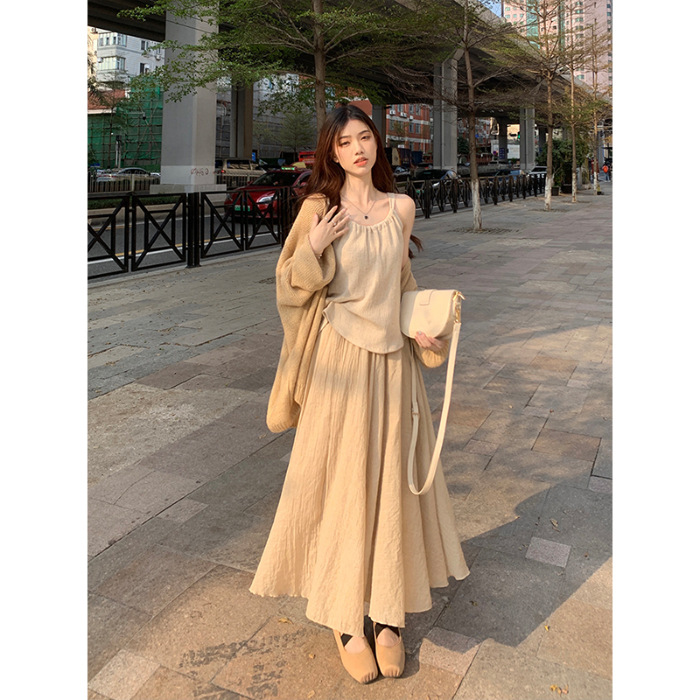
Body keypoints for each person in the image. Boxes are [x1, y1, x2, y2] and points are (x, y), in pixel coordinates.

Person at [249, 104, 469, 684]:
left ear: (377, 144)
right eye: (344, 142)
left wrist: (422, 330)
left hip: (393, 364)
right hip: (339, 362)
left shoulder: (402, 207)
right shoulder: (319, 209)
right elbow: (288, 285)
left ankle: (389, 615)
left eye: (364, 138)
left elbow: (401, 285)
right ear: (332, 151)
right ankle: (347, 620)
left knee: (393, 480)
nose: (357, 149)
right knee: (343, 482)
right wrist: (314, 246)